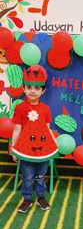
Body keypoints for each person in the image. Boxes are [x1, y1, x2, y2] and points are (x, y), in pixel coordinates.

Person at [11, 65, 58, 213]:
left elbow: (47, 129)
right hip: (25, 150)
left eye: (37, 88)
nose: (32, 91)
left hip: (43, 149)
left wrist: (54, 143)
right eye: (29, 87)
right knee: (27, 176)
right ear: (24, 88)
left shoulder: (45, 109)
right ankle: (27, 199)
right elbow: (17, 129)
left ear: (43, 91)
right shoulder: (20, 108)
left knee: (40, 175)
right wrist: (13, 148)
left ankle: (41, 197)